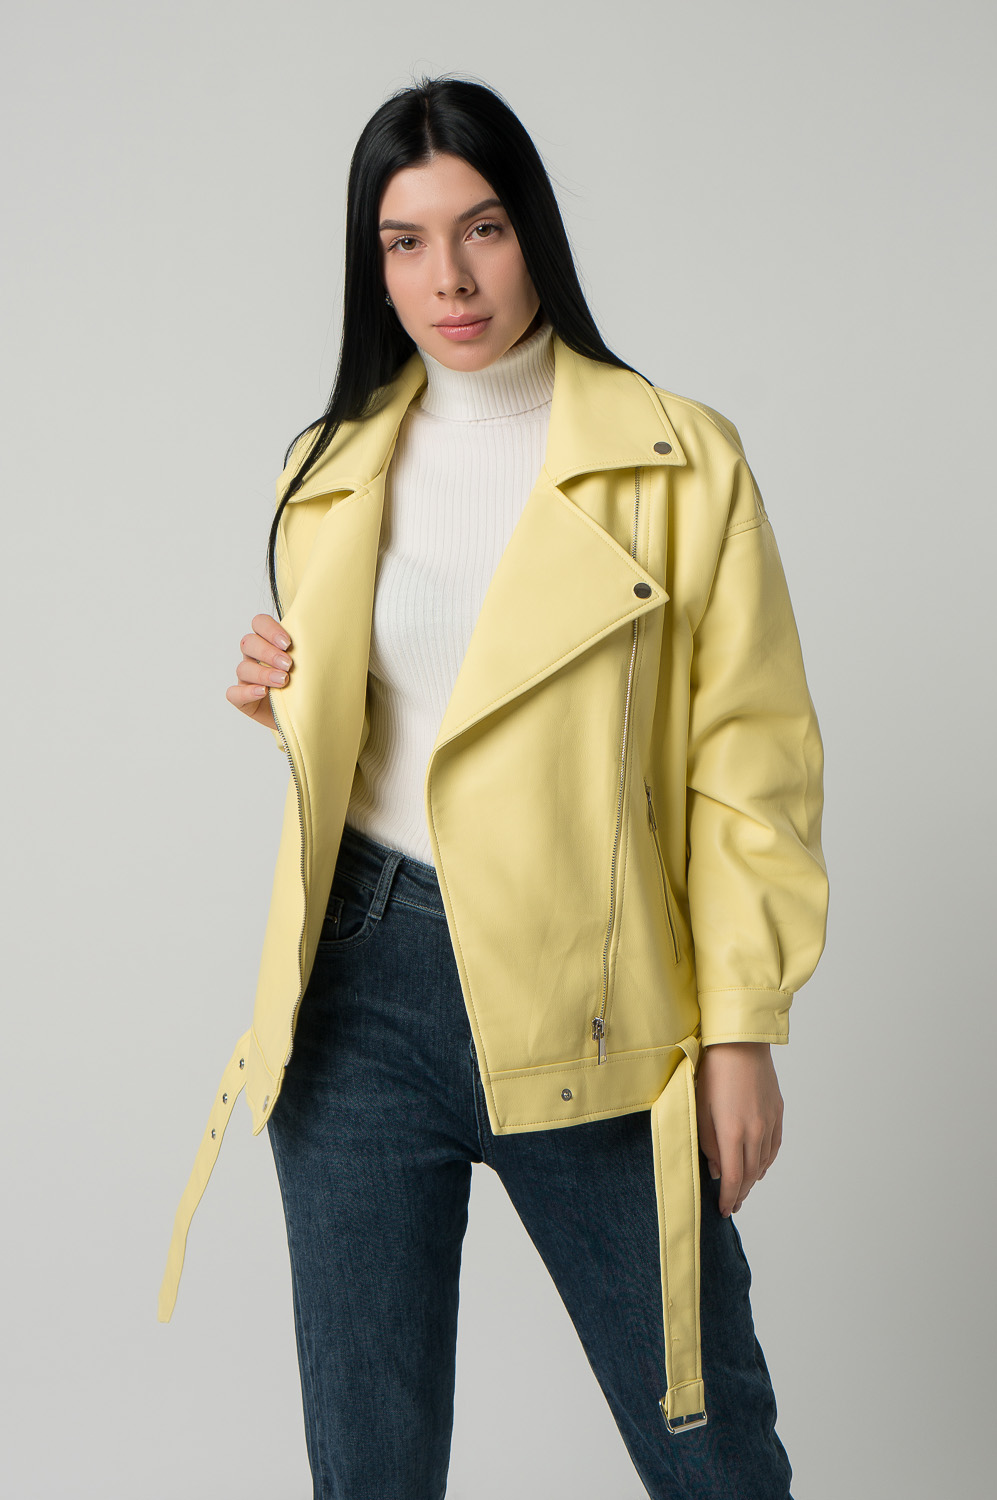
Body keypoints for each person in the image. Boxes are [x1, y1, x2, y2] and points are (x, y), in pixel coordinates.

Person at [158, 74, 828, 1500]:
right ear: (373, 265)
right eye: (404, 242)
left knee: (712, 1453)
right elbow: (421, 730)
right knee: (371, 1471)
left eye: (482, 229)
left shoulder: (678, 458)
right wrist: (288, 702)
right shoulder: (327, 467)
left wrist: (741, 1028)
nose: (448, 280)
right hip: (356, 990)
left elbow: (748, 763)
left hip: (593, 987)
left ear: (535, 233)